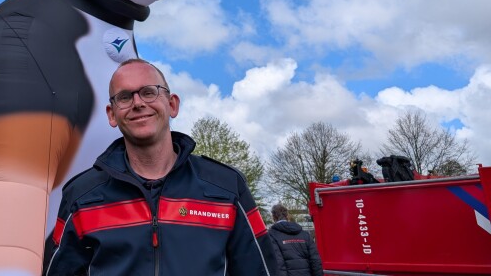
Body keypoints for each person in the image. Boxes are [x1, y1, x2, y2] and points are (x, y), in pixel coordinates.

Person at [45, 58, 278, 275]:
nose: (137, 103)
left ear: (172, 104)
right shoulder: (81, 195)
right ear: (112, 114)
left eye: (149, 92)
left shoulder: (227, 187)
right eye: (125, 97)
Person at [268, 203, 323, 276]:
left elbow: (278, 264)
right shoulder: (305, 234)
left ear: (273, 217)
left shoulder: (271, 235)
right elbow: (315, 261)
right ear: (287, 216)